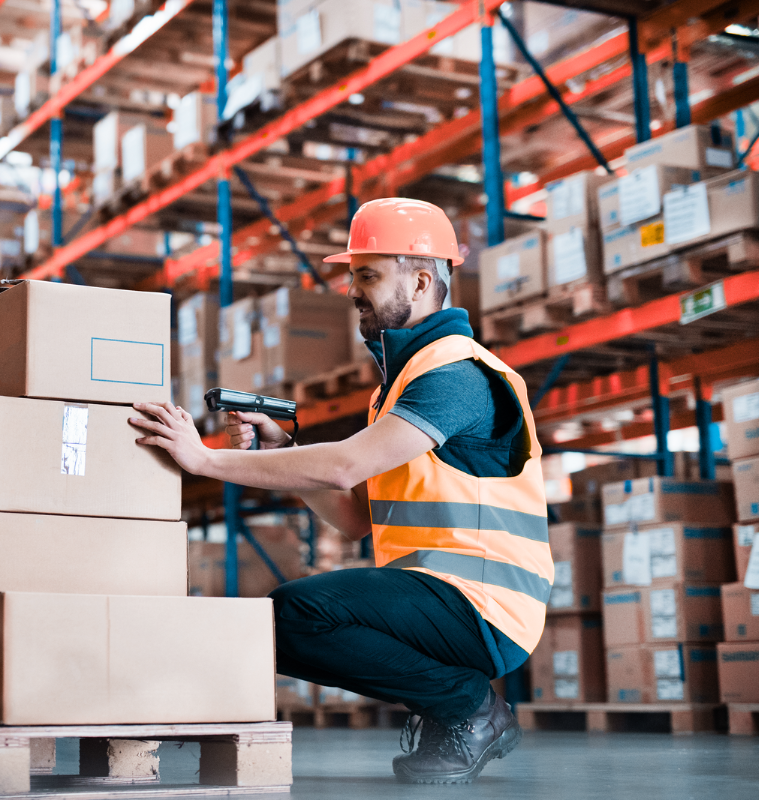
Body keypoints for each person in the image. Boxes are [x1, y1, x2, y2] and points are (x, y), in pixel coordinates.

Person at [129, 198, 552, 784]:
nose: (354, 290)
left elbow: (342, 466)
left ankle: (468, 708)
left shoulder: (457, 377)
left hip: (483, 605)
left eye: (369, 276)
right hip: (440, 597)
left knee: (295, 615)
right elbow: (355, 519)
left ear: (423, 279)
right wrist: (277, 452)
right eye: (353, 276)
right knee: (289, 620)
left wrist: (204, 460)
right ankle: (458, 705)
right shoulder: (398, 390)